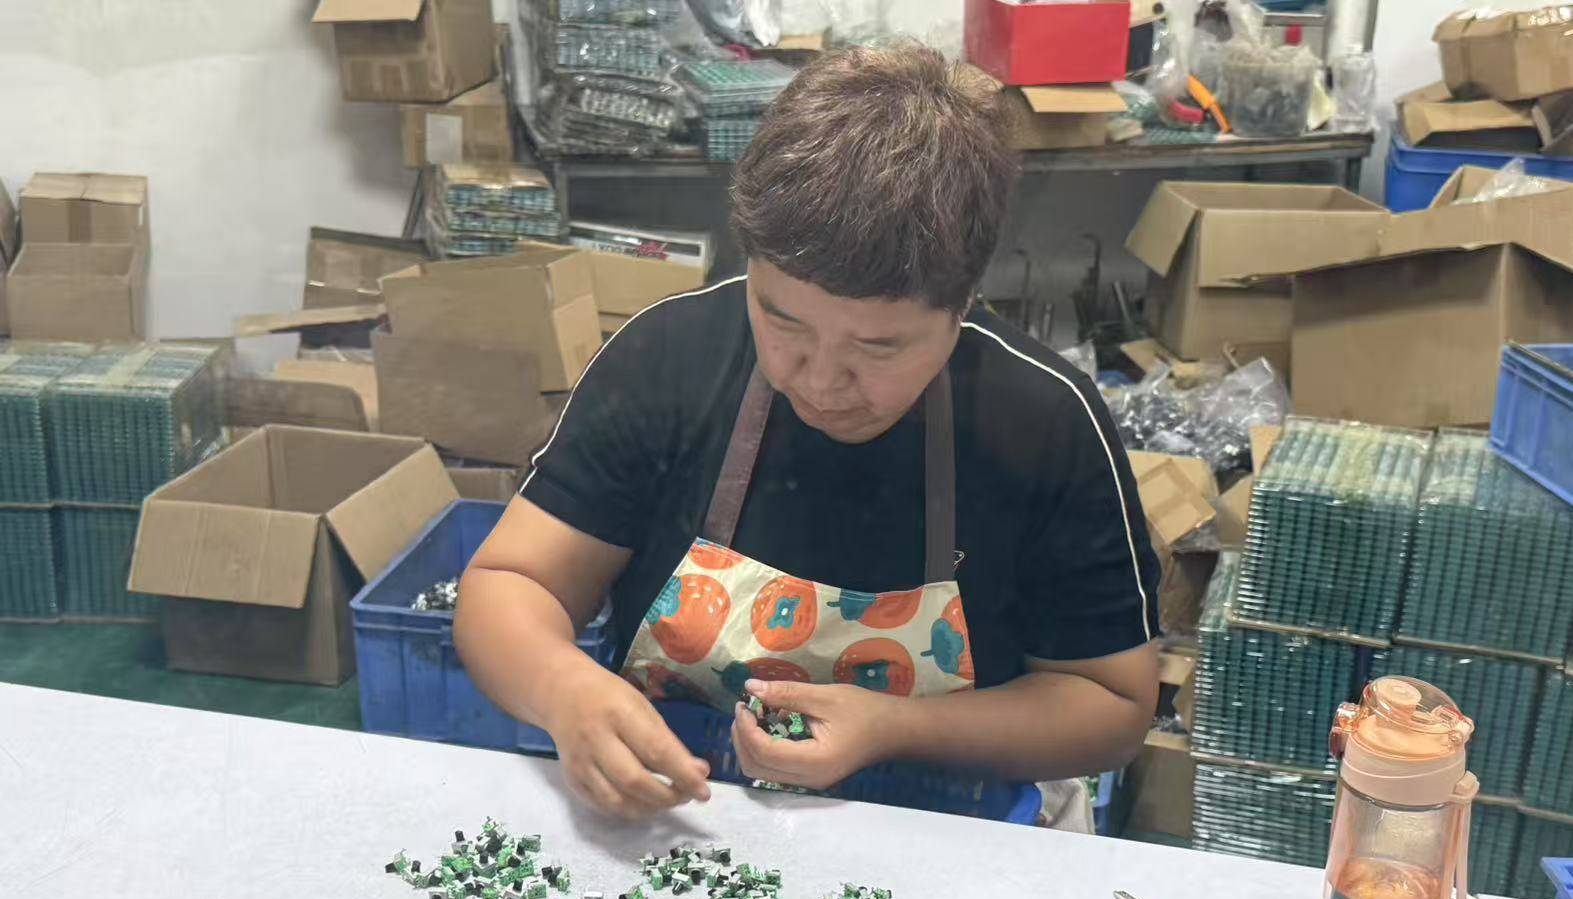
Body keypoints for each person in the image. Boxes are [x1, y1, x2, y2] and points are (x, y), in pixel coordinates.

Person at [454, 41, 1163, 828]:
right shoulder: (668, 360)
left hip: (950, 824)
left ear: (962, 304)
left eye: (877, 348)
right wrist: (562, 689)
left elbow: (1109, 703)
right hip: (683, 820)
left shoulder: (1041, 420)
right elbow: (510, 585)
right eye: (782, 320)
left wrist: (895, 727)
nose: (820, 380)